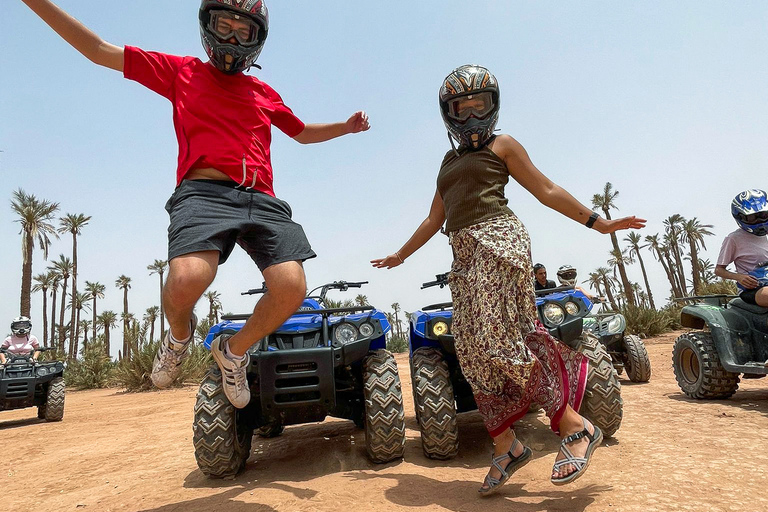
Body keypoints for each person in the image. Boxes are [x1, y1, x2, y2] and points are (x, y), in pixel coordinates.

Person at [21, 0, 370, 408]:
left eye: (244, 31)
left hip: (261, 197)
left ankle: (234, 352)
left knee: (292, 287)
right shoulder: (181, 72)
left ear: (258, 39)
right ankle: (179, 336)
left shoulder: (263, 91)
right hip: (203, 194)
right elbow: (98, 49)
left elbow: (301, 132)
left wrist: (345, 128)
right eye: (225, 26)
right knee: (187, 278)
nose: (233, 39)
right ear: (207, 27)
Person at [372, 65, 645, 493]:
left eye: (477, 105)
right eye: (459, 108)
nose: (469, 116)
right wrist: (400, 254)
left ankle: (574, 426)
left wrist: (599, 223)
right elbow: (433, 219)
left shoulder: (503, 144)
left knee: (500, 338)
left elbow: (546, 189)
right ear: (448, 113)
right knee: (471, 349)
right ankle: (507, 446)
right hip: (463, 255)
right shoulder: (448, 161)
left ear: (492, 107)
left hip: (499, 240)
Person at [715, 189, 768, 307]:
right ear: (741, 217)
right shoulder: (734, 239)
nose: (759, 220)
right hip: (753, 289)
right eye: (752, 217)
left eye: (762, 215)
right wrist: (739, 277)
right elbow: (719, 270)